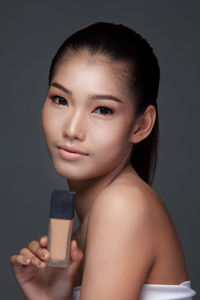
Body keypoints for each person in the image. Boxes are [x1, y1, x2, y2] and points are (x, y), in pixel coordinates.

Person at [10, 22, 196, 300]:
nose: (72, 129)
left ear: (141, 126)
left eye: (102, 109)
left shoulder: (122, 207)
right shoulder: (80, 235)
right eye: (60, 100)